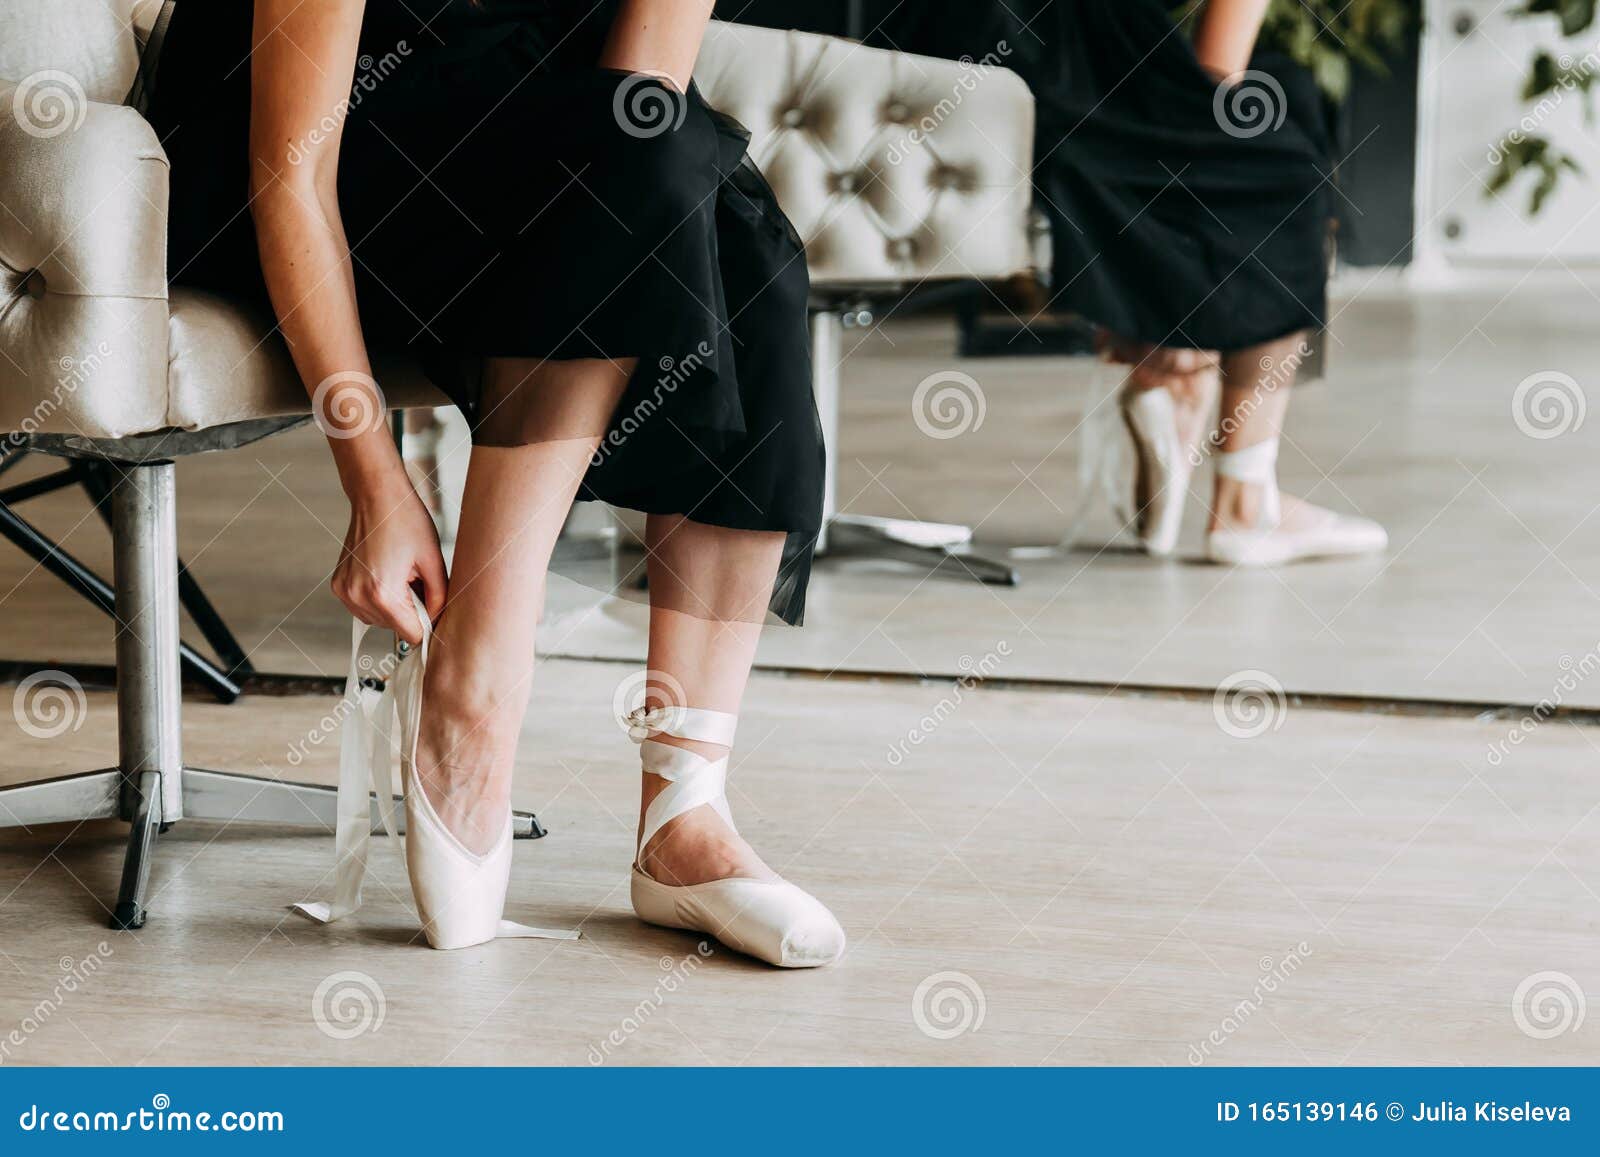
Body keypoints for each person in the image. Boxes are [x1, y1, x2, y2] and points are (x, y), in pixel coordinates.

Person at [146, 0, 843, 965]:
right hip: (294, 163)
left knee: (736, 232)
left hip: (512, 158)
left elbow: (644, 124)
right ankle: (479, 680)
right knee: (645, 144)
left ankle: (684, 815)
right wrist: (376, 483)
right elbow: (289, 176)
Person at [874, 0, 1388, 565]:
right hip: (1045, 59)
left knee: (1269, 106)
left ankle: (1173, 373)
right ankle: (1243, 496)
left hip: (919, 52)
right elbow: (1216, 76)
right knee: (1283, 179)